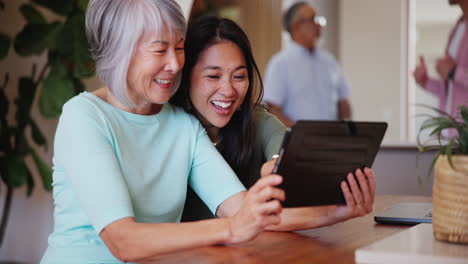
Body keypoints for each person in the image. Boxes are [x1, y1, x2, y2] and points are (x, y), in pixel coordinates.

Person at [41, 1, 372, 263]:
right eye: (160, 50)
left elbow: (243, 211)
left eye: (180, 47)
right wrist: (233, 228)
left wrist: (339, 210)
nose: (175, 64)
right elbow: (122, 241)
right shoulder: (84, 116)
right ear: (119, 51)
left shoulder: (181, 125)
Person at [171, 15, 376, 226]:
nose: (228, 90)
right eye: (213, 76)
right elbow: (242, 214)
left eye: (239, 77)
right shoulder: (178, 129)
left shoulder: (258, 120)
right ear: (185, 79)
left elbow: (282, 150)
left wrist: (281, 166)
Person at [263, 2, 352, 127]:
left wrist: (345, 130)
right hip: (300, 142)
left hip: (332, 141)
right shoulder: (280, 63)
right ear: (296, 27)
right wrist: (300, 132)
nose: (319, 25)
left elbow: (343, 102)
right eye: (313, 19)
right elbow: (272, 110)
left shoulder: (329, 61)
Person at [413, 0, 468, 119]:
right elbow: (451, 91)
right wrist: (426, 81)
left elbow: (455, 74)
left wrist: (454, 72)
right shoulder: (458, 27)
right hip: (448, 132)